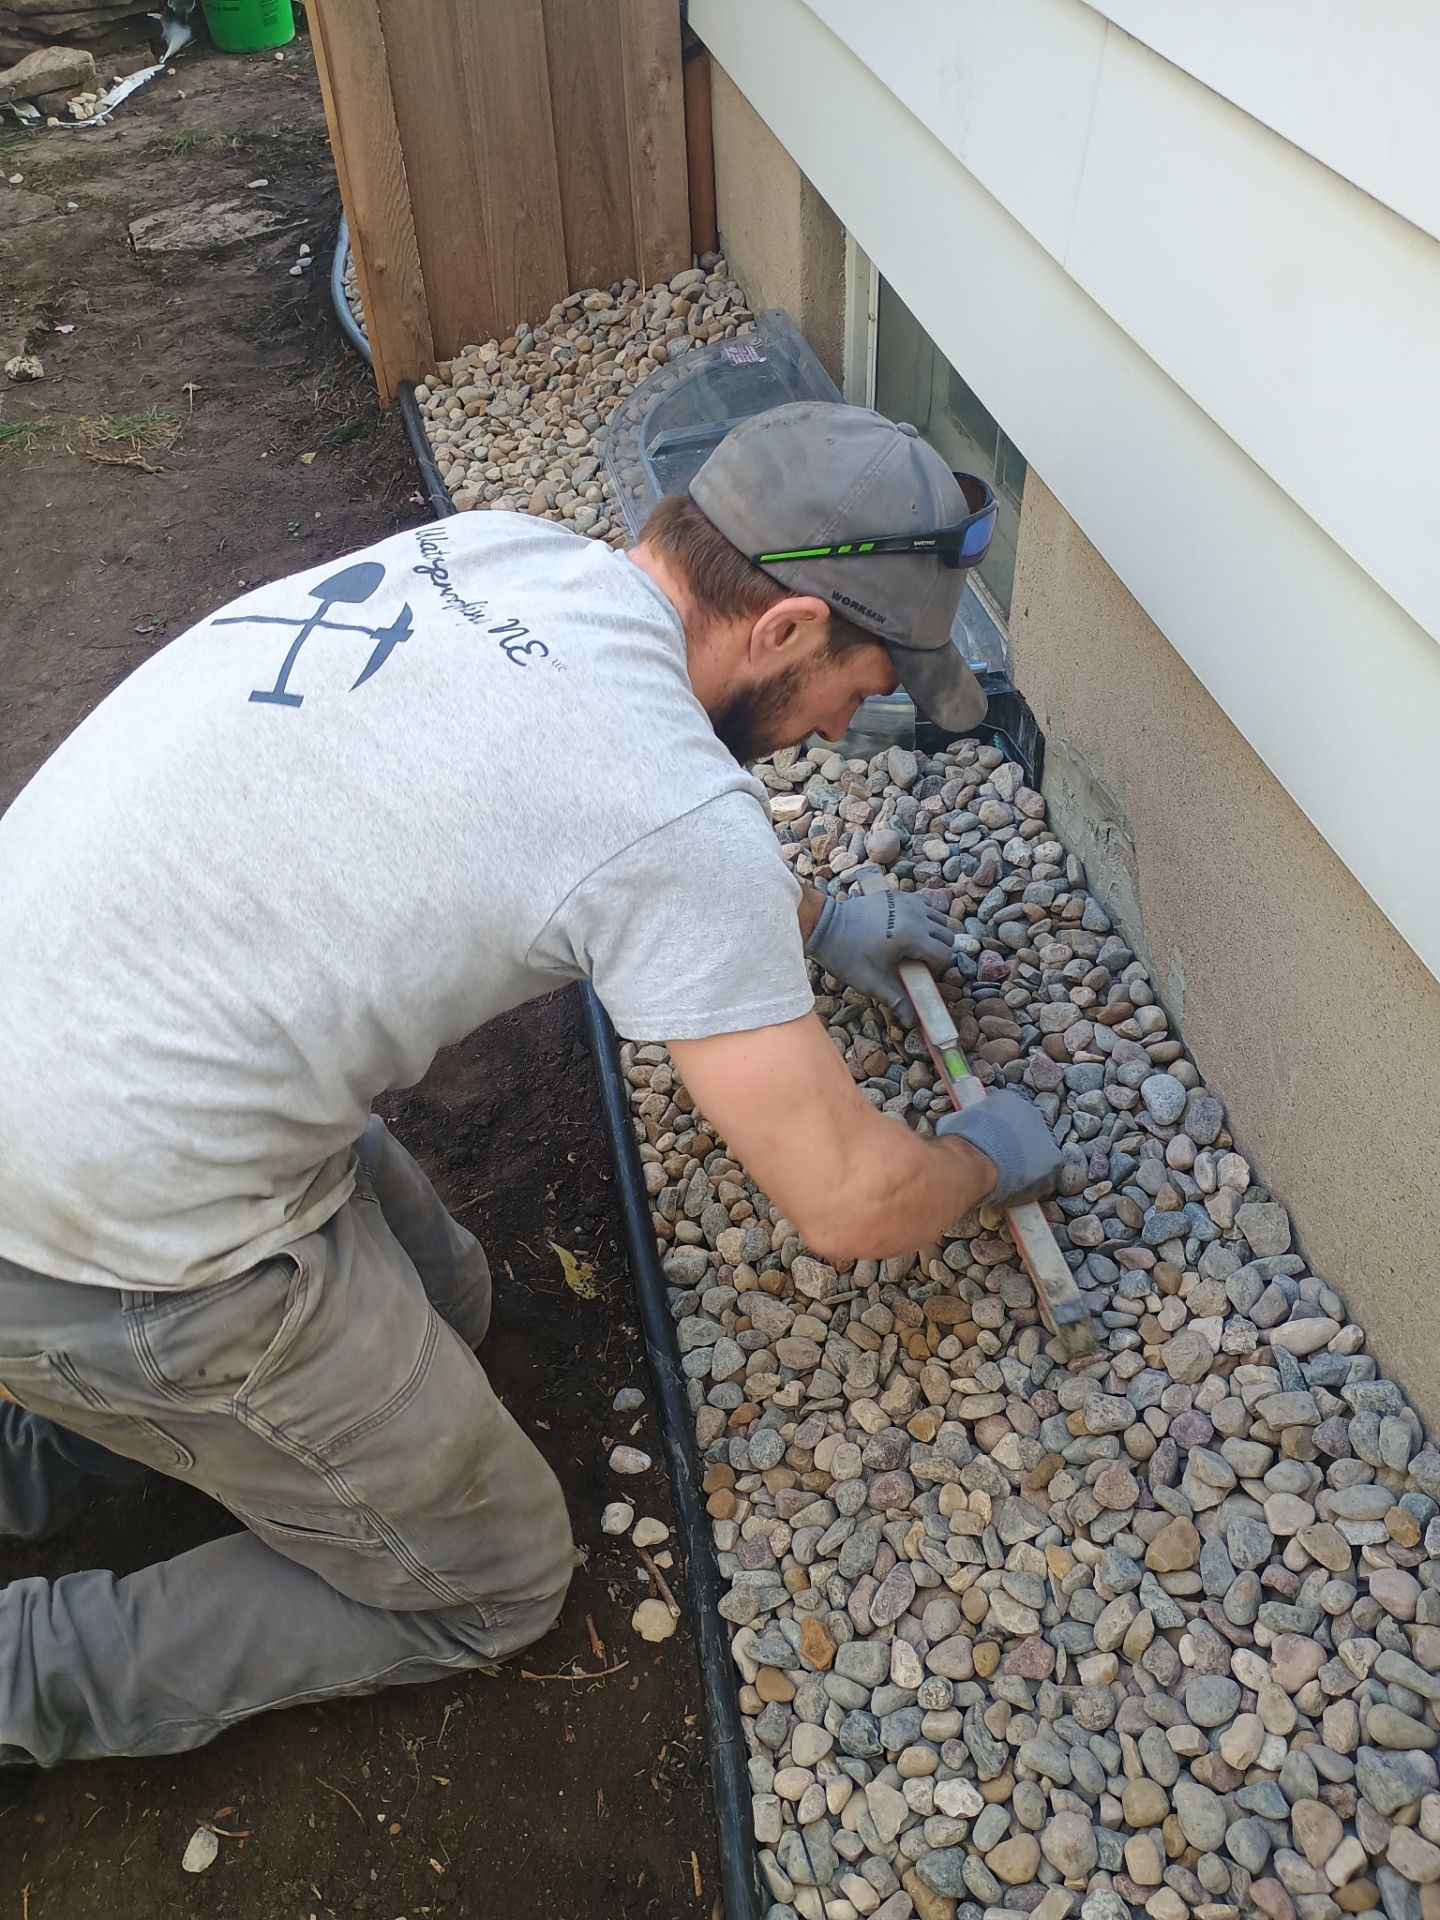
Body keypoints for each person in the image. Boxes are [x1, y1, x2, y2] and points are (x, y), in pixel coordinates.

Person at [0, 401, 1062, 1768]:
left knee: (453, 1302)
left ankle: (73, 1437)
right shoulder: (674, 813)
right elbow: (849, 1200)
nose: (845, 725)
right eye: (862, 687)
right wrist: (984, 1156)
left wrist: (814, 925)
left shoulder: (512, 557)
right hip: (114, 1223)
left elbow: (596, 811)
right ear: (787, 627)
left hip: (81, 1053)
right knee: (492, 1579)